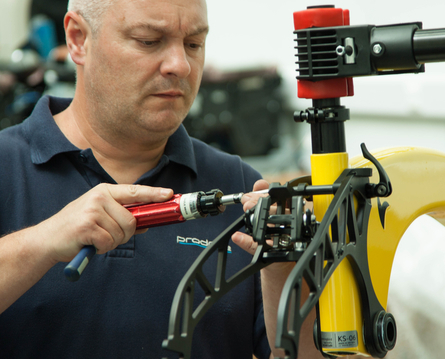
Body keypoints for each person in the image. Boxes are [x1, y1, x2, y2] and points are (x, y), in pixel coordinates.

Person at [0, 0, 322, 358]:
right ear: (78, 39)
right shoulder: (5, 167)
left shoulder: (238, 183)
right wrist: (42, 241)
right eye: (149, 40)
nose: (180, 65)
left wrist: (286, 272)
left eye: (194, 44)